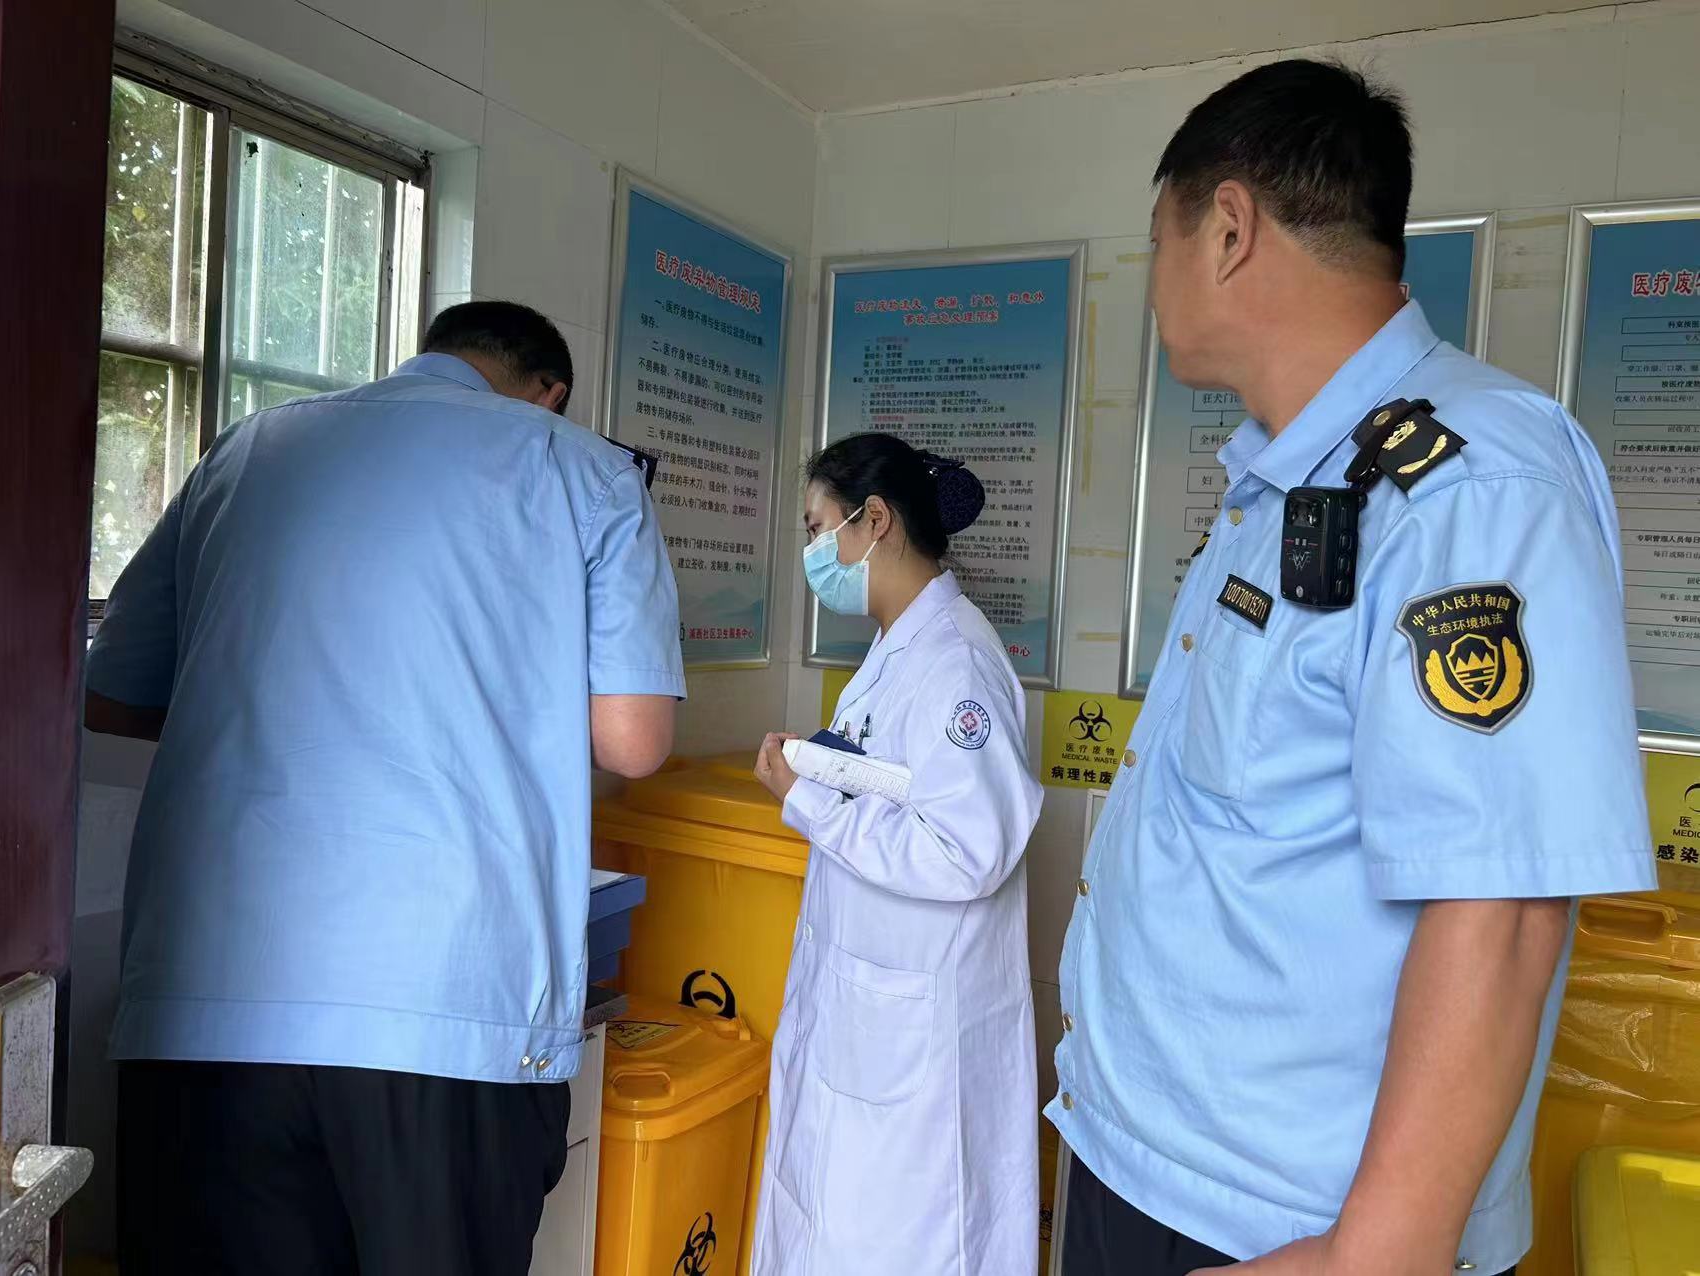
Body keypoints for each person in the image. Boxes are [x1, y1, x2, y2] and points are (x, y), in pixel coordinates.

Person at [1050, 60, 1655, 1276]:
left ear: (1227, 229)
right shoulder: (1289, 476)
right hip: (1153, 1156)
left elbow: (1501, 903)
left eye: (1158, 240)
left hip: (1281, 1226)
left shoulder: (1471, 486)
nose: (1153, 279)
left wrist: (1369, 1259)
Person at [85, 300, 686, 1276]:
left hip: (209, 993)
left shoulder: (248, 449)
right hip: (442, 999)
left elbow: (112, 692)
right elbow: (634, 740)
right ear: (549, 393)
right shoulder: (583, 469)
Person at [748, 433, 1044, 1274]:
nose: (814, 553)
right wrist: (823, 769)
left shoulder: (956, 665)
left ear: (873, 521)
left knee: (896, 1239)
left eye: (819, 529)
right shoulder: (899, 648)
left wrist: (809, 801)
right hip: (866, 1027)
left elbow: (965, 850)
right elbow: (903, 790)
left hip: (913, 1056)